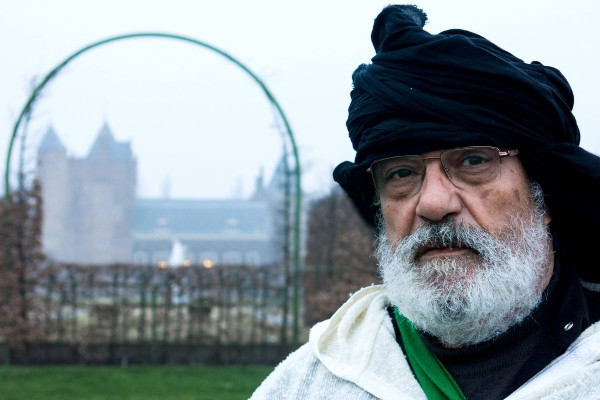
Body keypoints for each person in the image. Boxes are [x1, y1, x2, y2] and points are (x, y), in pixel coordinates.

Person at [250, 4, 600, 399]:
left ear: (545, 194)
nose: (433, 204)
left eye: (472, 161)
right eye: (401, 173)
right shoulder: (307, 385)